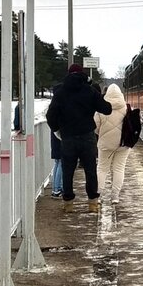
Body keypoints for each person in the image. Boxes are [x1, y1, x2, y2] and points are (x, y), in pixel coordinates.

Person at [45, 64, 112, 213]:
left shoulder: (60, 92)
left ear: (68, 74)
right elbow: (107, 109)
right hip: (87, 136)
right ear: (82, 74)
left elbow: (50, 116)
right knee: (90, 170)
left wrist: (57, 130)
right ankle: (92, 202)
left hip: (68, 137)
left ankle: (68, 203)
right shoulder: (90, 91)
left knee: (68, 170)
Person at [94, 84, 131, 198]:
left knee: (102, 169)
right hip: (123, 144)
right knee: (119, 168)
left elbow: (95, 126)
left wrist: (101, 134)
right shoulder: (126, 108)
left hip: (105, 144)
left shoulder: (101, 109)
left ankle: (98, 195)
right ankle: (115, 196)